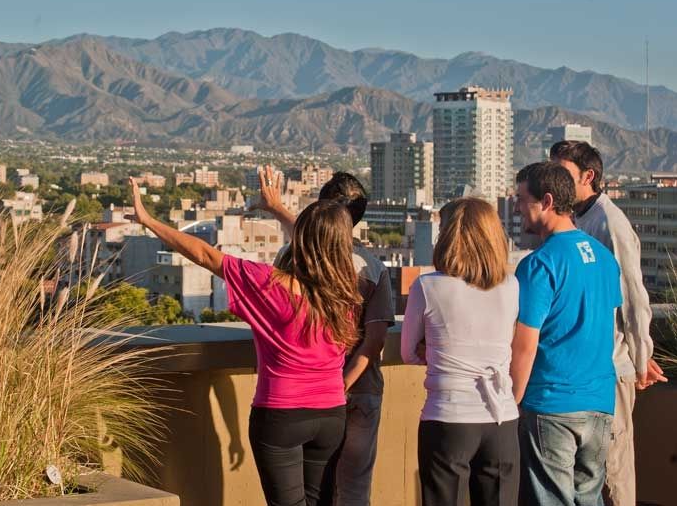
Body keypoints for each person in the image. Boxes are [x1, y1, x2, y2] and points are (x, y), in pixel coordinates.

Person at [127, 176, 362, 506]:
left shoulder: (270, 286)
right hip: (332, 414)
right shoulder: (346, 292)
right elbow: (322, 243)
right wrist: (280, 211)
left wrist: (149, 220)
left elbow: (205, 255)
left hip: (281, 413)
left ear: (301, 239)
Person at [257, 167, 395, 506]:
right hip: (360, 391)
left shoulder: (292, 258)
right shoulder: (373, 269)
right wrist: (344, 383)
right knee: (352, 491)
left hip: (300, 397)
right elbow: (374, 342)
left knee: (306, 494)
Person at [550, 140, 667, 506]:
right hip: (586, 369)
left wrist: (639, 355)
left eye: (563, 172)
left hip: (613, 368)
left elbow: (633, 297)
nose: (555, 179)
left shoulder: (609, 222)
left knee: (612, 471)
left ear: (589, 176)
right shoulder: (578, 219)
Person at [510, 162, 622, 505]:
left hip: (551, 405)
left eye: (521, 199)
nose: (516, 207)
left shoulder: (539, 264)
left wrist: (510, 403)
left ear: (545, 201)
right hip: (600, 403)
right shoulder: (604, 258)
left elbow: (525, 347)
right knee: (588, 499)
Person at [400, 197, 520, 506]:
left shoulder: (428, 287)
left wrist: (444, 355)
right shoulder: (512, 286)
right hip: (502, 419)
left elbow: (408, 352)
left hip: (448, 417)